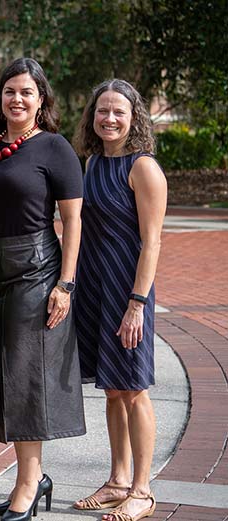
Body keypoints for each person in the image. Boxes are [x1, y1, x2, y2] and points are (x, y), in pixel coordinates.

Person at [0, 57, 86, 521]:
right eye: (9, 91)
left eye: (26, 92)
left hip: (37, 270)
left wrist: (65, 283)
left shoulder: (55, 148)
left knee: (27, 376)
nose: (16, 99)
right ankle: (30, 477)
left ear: (41, 100)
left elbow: (74, 220)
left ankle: (28, 482)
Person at [71, 79, 166, 521]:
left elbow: (152, 243)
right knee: (113, 390)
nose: (109, 118)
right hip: (97, 289)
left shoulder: (143, 168)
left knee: (134, 390)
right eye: (102, 111)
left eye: (118, 112)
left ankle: (143, 491)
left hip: (129, 292)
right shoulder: (91, 164)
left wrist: (137, 304)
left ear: (134, 118)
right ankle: (117, 481)